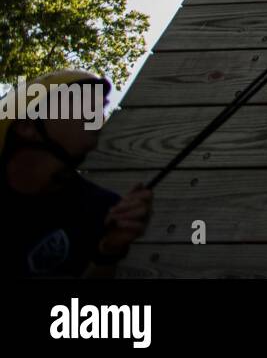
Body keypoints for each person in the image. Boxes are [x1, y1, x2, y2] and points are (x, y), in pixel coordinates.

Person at [1, 70, 153, 277]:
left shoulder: (101, 210)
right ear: (28, 125)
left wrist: (109, 250)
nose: (98, 115)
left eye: (100, 107)